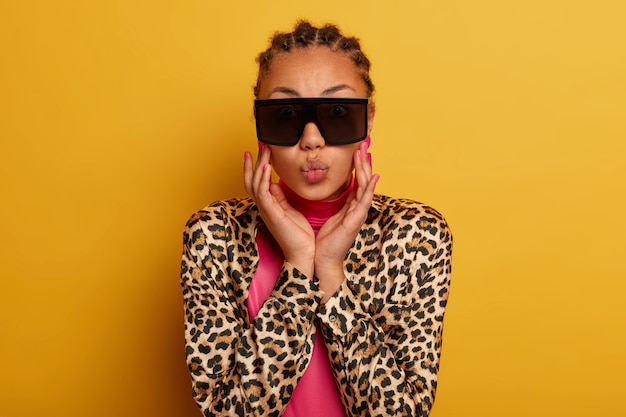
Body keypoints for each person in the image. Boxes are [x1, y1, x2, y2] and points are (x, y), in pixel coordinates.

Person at [181, 20, 453, 417]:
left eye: (338, 111)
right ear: (261, 124)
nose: (311, 138)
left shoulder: (416, 235)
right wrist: (297, 263)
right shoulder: (214, 237)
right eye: (287, 113)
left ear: (369, 120)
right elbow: (228, 413)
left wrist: (329, 269)